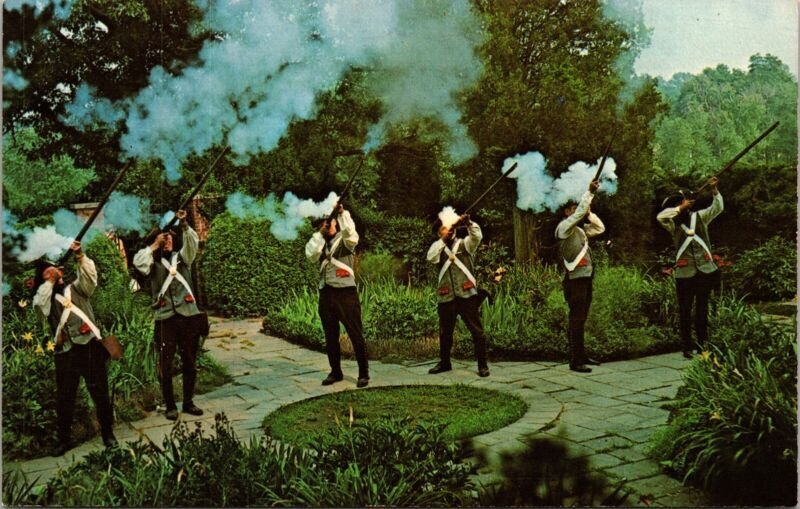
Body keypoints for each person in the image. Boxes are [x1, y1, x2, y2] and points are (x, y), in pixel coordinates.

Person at [33, 241, 117, 456]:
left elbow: (90, 279)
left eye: (54, 268)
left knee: (101, 394)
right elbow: (39, 306)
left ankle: (108, 434)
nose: (54, 271)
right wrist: (50, 281)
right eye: (48, 271)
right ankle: (64, 440)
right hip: (66, 353)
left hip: (89, 347)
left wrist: (79, 255)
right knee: (65, 399)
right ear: (43, 278)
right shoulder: (44, 298)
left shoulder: (76, 288)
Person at [134, 210, 205, 420]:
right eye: (164, 238)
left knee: (190, 361)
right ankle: (171, 405)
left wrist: (184, 224)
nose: (168, 241)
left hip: (188, 316)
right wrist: (155, 245)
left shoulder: (183, 258)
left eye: (170, 238)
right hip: (165, 319)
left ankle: (189, 402)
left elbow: (192, 243)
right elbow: (138, 262)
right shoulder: (151, 262)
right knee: (166, 365)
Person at [657, 177, 723, 359]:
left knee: (702, 310)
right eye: (680, 203)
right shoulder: (672, 223)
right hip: (684, 273)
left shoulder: (700, 217)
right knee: (685, 310)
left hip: (704, 270)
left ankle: (703, 344)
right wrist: (680, 208)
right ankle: (686, 346)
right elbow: (661, 216)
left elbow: (717, 208)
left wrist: (714, 190)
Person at [304, 204, 369, 388]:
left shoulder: (345, 239)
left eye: (326, 222)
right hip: (326, 293)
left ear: (334, 221)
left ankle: (363, 374)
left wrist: (342, 213)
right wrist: (320, 234)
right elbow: (310, 254)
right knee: (330, 335)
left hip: (346, 293)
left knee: (355, 334)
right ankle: (335, 371)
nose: (324, 226)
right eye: (320, 225)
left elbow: (351, 234)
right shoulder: (319, 243)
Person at [427, 214, 490, 377]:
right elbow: (431, 257)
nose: (448, 230)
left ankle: (483, 365)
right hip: (446, 296)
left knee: (477, 331)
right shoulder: (437, 247)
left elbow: (477, 236)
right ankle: (445, 363)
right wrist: (443, 239)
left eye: (449, 227)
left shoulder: (465, 244)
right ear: (439, 233)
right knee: (445, 333)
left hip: (467, 294)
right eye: (443, 229)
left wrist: (468, 223)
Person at [556, 181, 605, 373]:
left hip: (585, 278)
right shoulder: (563, 227)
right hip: (574, 280)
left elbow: (600, 228)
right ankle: (575, 361)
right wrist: (589, 193)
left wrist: (589, 213)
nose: (577, 211)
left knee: (581, 318)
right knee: (576, 319)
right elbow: (578, 215)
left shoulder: (579, 230)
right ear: (567, 212)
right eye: (573, 208)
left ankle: (581, 355)